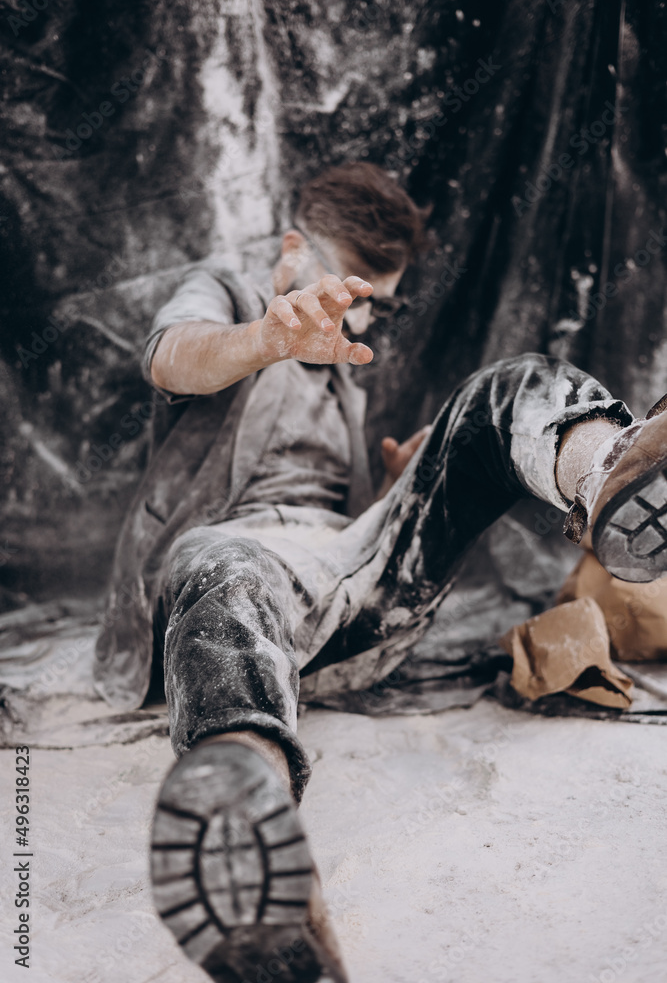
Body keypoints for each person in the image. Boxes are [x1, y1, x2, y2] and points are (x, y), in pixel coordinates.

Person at [94, 162, 667, 983]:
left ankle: (608, 470)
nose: (364, 314)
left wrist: (402, 487)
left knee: (498, 390)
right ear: (293, 250)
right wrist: (263, 338)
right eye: (353, 289)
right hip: (243, 575)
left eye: (382, 304)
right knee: (218, 561)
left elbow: (343, 531)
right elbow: (170, 356)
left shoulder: (343, 373)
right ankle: (256, 843)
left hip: (354, 584)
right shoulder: (225, 294)